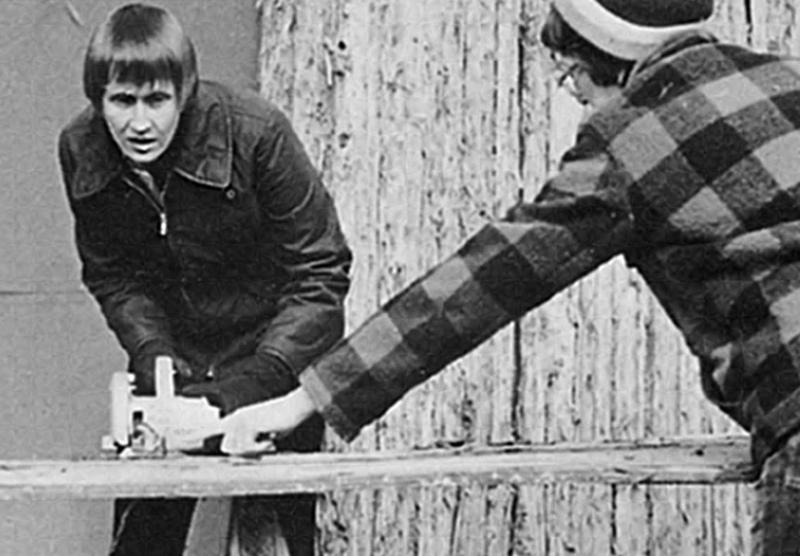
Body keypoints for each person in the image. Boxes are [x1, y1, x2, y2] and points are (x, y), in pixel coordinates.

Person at [215, 0, 800, 553]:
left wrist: (303, 401)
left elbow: (483, 284)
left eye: (570, 80)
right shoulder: (788, 78)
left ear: (605, 53)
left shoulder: (630, 138)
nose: (579, 102)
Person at [58, 4, 352, 555]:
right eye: (122, 102)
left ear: (185, 93)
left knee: (283, 543)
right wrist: (156, 359)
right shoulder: (82, 147)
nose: (139, 123)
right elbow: (114, 276)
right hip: (175, 364)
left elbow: (321, 275)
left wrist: (247, 390)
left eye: (157, 100)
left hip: (271, 363)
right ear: (98, 100)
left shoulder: (257, 132)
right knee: (141, 546)